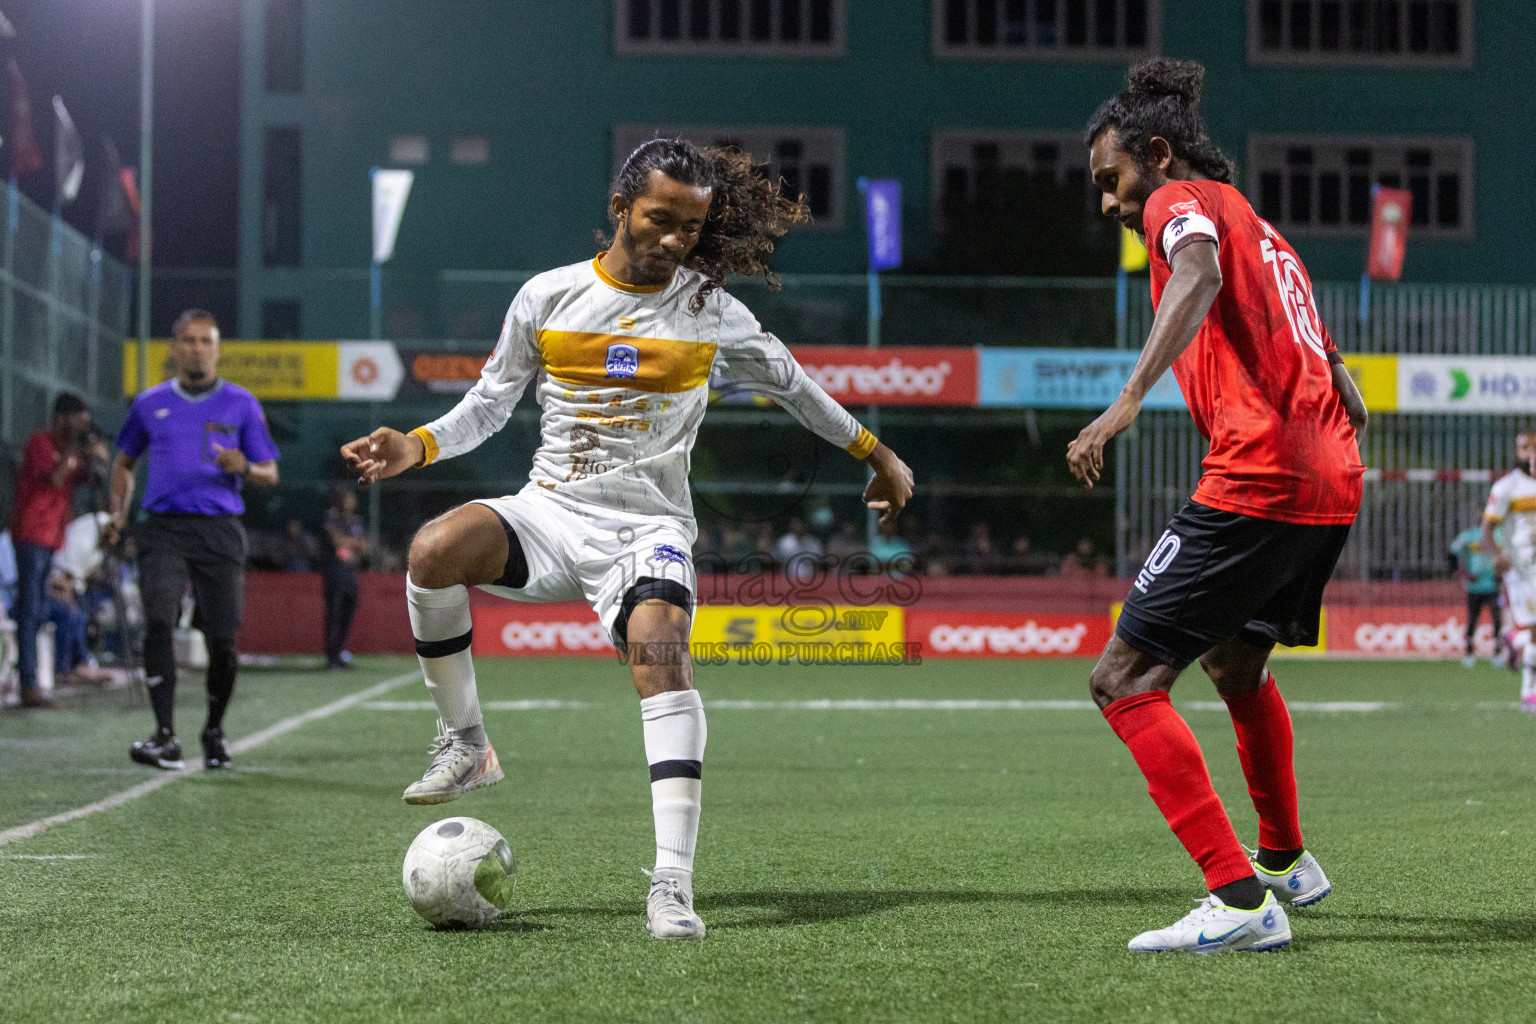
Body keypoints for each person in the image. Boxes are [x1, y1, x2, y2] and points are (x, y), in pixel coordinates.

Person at [341, 138, 912, 940]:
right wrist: (418, 443)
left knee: (659, 651)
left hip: (647, 526)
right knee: (434, 550)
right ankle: (466, 743)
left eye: (692, 225)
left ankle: (671, 886)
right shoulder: (548, 296)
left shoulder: (711, 311)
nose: (676, 239)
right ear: (619, 209)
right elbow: (489, 403)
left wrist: (877, 454)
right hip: (551, 510)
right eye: (659, 218)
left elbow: (798, 388)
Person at [1069, 58, 1368, 953]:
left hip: (1262, 473)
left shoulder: (1179, 205)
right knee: (1237, 666)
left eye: (1113, 180)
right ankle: (1283, 859)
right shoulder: (1264, 228)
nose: (1113, 203)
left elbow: (1194, 271)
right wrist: (1340, 386)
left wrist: (1125, 402)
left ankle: (1239, 902)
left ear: (1155, 155)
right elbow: (1324, 351)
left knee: (1122, 679)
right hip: (1329, 475)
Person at [106, 309, 280, 769]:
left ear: (218, 349)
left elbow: (269, 472)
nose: (197, 348)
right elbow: (123, 463)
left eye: (206, 340)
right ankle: (164, 736)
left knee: (223, 638)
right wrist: (116, 515)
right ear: (173, 347)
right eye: (188, 340)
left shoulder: (242, 403)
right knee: (159, 619)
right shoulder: (149, 403)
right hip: (162, 529)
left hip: (220, 532)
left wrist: (243, 466)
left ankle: (214, 731)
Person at [8, 393, 106, 709]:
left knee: (37, 609)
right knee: (31, 609)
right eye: (80, 419)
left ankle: (35, 680)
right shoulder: (41, 443)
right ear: (63, 417)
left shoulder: (68, 450)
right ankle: (29, 685)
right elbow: (55, 477)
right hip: (31, 534)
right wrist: (76, 453)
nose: (83, 426)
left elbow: (89, 481)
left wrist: (98, 461)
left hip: (51, 538)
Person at [1481, 433, 1536, 709]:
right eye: (1524, 449)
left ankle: (1516, 638)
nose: (1528, 455)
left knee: (1533, 630)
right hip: (1521, 568)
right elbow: (1487, 529)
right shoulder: (1507, 487)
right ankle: (1529, 690)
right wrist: (1495, 556)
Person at [321, 488, 369, 668]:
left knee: (347, 615)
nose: (349, 503)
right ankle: (331, 656)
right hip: (335, 573)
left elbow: (365, 546)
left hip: (351, 574)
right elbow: (337, 542)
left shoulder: (355, 521)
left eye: (351, 499)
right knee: (334, 614)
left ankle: (339, 653)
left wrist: (350, 545)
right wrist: (351, 544)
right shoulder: (330, 518)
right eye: (346, 499)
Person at [1450, 521, 1503, 668]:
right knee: (1472, 621)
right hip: (1474, 587)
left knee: (1497, 620)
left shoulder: (1499, 534)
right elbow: (1453, 551)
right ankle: (1469, 654)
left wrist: (1501, 573)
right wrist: (1462, 572)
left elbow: (1506, 553)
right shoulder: (1468, 536)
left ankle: (1498, 654)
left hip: (1493, 585)